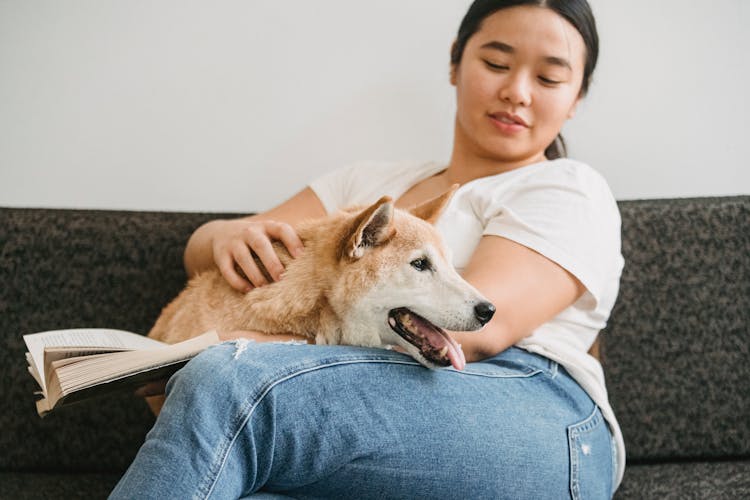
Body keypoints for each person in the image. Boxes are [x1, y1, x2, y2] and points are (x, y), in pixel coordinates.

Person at [110, 0, 625, 498]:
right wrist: (221, 234)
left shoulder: (566, 187)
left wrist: (262, 354)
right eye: (495, 62)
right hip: (374, 390)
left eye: (549, 78)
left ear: (577, 96)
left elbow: (471, 329)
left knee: (226, 381)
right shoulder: (365, 184)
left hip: (531, 404)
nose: (516, 91)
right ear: (455, 61)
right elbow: (212, 251)